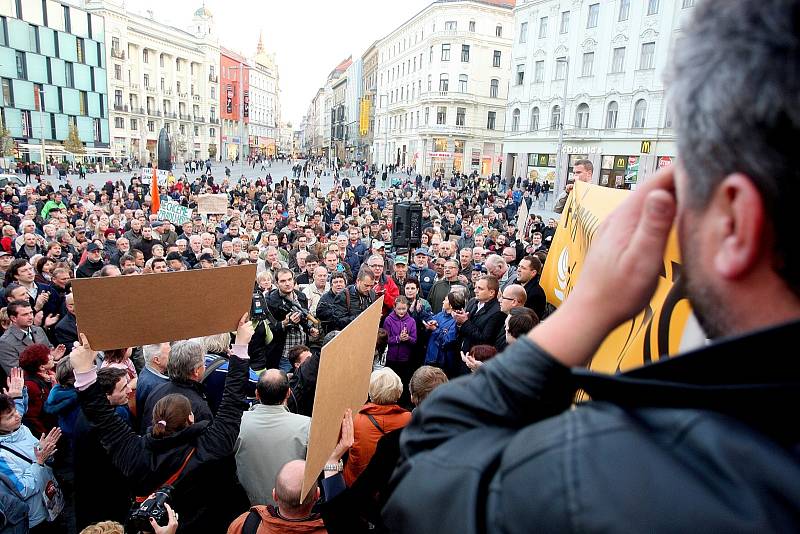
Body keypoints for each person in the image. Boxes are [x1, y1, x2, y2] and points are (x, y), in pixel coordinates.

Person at [385, 2, 800, 530]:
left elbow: (423, 475)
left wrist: (589, 306)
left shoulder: (616, 473)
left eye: (687, 188)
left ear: (736, 223)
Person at [70, 316, 254, 533]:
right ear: (191, 419)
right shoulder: (211, 446)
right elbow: (233, 400)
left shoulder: (135, 455)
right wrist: (241, 345)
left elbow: (103, 420)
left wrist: (84, 371)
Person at [235, 369, 310, 507]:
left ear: (256, 394)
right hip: (292, 508)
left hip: (249, 508)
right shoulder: (307, 426)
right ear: (288, 393)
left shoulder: (236, 424)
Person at [0, 368, 62, 533]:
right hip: (37, 517)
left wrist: (46, 453)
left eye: (14, 412)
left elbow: (18, 408)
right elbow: (22, 489)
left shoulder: (18, 428)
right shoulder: (1, 457)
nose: (18, 416)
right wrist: (40, 460)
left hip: (51, 502)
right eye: (10, 416)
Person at [342, 368, 411, 486]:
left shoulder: (355, 419)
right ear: (399, 391)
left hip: (357, 484)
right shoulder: (409, 419)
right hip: (394, 485)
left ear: (370, 391)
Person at [138, 340, 213, 433]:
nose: (205, 366)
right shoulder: (200, 408)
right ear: (196, 371)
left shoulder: (156, 390)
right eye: (203, 363)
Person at [267, 268, 315, 373]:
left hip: (303, 352)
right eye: (283, 281)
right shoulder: (270, 301)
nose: (287, 283)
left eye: (289, 279)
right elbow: (267, 329)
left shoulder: (301, 297)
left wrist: (309, 329)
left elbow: (303, 321)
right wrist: (285, 322)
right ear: (277, 283)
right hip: (284, 354)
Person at [453, 275, 505, 370]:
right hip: (462, 353)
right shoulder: (473, 301)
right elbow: (463, 328)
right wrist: (459, 321)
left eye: (480, 288)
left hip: (477, 360)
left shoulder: (497, 312)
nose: (475, 290)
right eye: (475, 287)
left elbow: (484, 339)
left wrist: (464, 322)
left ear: (491, 292)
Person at [0, 301, 53, 383]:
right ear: (13, 318)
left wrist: (54, 355)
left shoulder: (38, 330)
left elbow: (49, 350)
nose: (31, 317)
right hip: (29, 386)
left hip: (49, 378)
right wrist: (40, 374)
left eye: (31, 313)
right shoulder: (5, 342)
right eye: (25, 314)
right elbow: (15, 372)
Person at [382, 297, 417, 404]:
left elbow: (414, 340)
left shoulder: (411, 321)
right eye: (399, 309)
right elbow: (385, 339)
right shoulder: (388, 320)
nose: (401, 311)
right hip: (391, 358)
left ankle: (402, 404)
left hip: (405, 359)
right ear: (394, 308)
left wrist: (408, 338)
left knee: (403, 381)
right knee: (390, 382)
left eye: (404, 309)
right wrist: (398, 338)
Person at [423, 290, 464, 376]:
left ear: (451, 305)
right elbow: (430, 321)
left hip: (443, 362)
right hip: (431, 357)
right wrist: (430, 322)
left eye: (445, 300)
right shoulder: (441, 315)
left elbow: (448, 341)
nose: (443, 301)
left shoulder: (457, 320)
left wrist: (435, 329)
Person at [135, 342, 170, 412]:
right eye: (169, 354)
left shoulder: (146, 371)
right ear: (157, 360)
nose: (172, 357)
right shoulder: (156, 387)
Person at [515, 255, 546, 320]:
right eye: (519, 266)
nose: (518, 270)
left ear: (533, 273)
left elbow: (527, 321)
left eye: (523, 268)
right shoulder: (515, 284)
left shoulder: (536, 294)